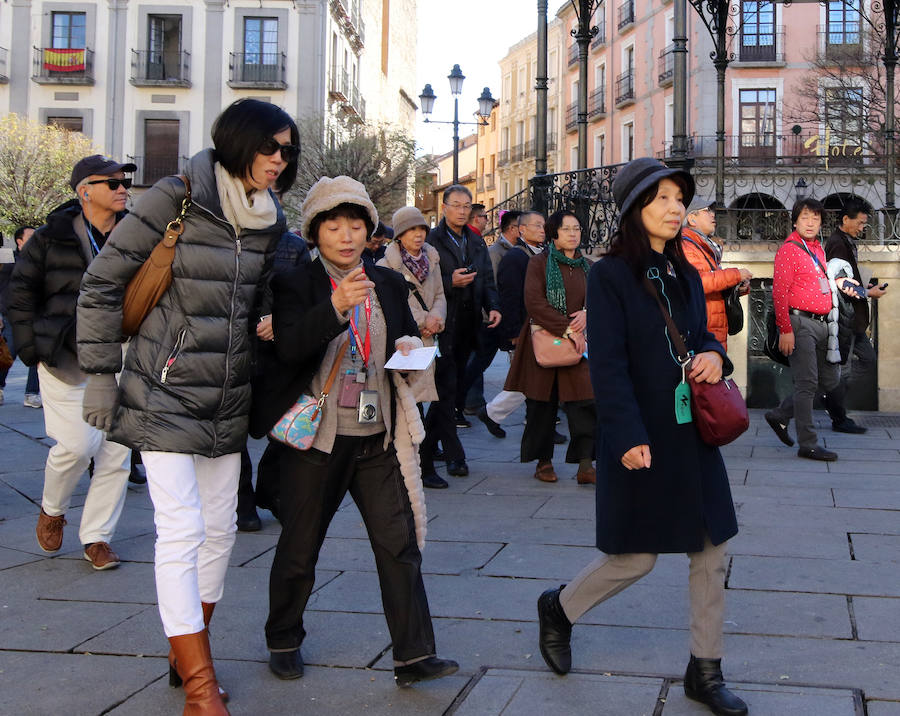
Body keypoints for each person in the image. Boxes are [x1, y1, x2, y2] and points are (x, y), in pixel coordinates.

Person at [77, 98, 297, 715]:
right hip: (164, 387)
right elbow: (102, 283)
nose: (279, 160)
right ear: (237, 141)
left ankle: (185, 650)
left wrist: (268, 325)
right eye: (269, 148)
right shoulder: (174, 196)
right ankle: (200, 686)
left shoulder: (268, 215)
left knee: (221, 532)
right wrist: (100, 375)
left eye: (286, 151)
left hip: (227, 395)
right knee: (181, 530)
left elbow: (250, 300)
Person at [536, 158, 747, 716]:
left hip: (691, 431)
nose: (676, 208)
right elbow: (606, 364)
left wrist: (713, 356)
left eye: (680, 198)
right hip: (641, 434)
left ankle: (705, 669)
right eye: (662, 199)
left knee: (712, 549)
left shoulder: (683, 270)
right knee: (636, 558)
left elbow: (704, 335)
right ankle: (559, 609)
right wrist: (625, 434)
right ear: (635, 210)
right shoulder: (609, 275)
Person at [252, 175, 458, 687]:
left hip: (377, 434)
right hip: (317, 439)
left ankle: (413, 655)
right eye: (334, 225)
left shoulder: (386, 281)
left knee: (399, 545)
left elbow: (400, 340)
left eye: (356, 225)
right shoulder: (296, 283)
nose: (346, 236)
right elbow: (290, 348)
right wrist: (337, 306)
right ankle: (283, 638)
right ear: (316, 232)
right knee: (300, 547)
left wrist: (411, 351)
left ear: (369, 232)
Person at [9, 156, 136, 571]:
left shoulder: (137, 235)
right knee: (78, 446)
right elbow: (22, 294)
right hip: (66, 356)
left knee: (116, 454)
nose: (122, 188)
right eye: (112, 182)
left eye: (124, 182)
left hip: (122, 356)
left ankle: (97, 537)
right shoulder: (51, 237)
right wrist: (32, 348)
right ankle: (52, 507)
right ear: (85, 190)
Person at [503, 210, 596, 484]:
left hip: (579, 347)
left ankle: (585, 464)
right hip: (544, 343)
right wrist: (567, 329)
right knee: (542, 406)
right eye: (566, 229)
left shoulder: (588, 266)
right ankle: (543, 462)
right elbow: (534, 304)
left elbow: (601, 300)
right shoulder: (539, 264)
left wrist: (588, 313)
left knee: (585, 403)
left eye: (577, 228)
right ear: (554, 233)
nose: (573, 234)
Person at [765, 198, 857, 461]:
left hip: (823, 324)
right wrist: (785, 329)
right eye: (805, 217)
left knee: (829, 380)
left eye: (815, 219)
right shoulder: (789, 250)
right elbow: (779, 293)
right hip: (800, 323)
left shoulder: (817, 250)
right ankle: (808, 444)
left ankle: (782, 414)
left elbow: (822, 282)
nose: (810, 222)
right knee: (806, 383)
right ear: (795, 221)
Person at [236, 229, 313, 532]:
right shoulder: (226, 235)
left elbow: (306, 297)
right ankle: (242, 502)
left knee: (283, 429)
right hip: (234, 348)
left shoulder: (292, 246)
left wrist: (279, 320)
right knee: (234, 430)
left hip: (278, 352)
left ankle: (270, 490)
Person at [425, 185, 501, 475]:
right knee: (445, 388)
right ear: (444, 207)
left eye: (466, 205)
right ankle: (455, 454)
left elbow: (487, 276)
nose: (461, 210)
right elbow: (422, 283)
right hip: (444, 324)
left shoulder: (475, 239)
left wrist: (493, 305)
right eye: (455, 205)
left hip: (469, 322)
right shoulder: (432, 240)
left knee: (451, 391)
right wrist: (449, 281)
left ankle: (428, 447)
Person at [377, 206, 447, 488]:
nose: (418, 235)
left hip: (434, 339)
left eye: (421, 230)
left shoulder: (432, 259)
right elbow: (394, 307)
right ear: (399, 235)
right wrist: (423, 322)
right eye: (411, 230)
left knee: (436, 405)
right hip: (408, 344)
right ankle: (411, 468)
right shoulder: (386, 266)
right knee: (409, 408)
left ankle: (424, 463)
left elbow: (440, 293)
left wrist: (438, 318)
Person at [477, 211, 547, 439]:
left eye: (543, 225)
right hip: (523, 331)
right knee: (527, 378)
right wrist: (514, 333)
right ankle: (492, 413)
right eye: (536, 225)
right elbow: (509, 297)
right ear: (521, 230)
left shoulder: (542, 254)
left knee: (532, 379)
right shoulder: (516, 258)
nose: (542, 229)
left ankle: (495, 414)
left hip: (539, 330)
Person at [823, 201, 882, 433]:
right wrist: (868, 292)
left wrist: (863, 285)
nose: (862, 227)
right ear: (846, 220)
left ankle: (831, 399)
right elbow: (839, 283)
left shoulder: (846, 241)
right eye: (860, 222)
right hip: (845, 318)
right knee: (842, 371)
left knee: (867, 360)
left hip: (855, 318)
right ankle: (838, 416)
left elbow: (847, 277)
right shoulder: (837, 244)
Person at [681, 197, 752, 351]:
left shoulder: (703, 247)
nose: (713, 215)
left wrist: (735, 287)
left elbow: (713, 284)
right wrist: (736, 275)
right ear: (692, 219)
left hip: (711, 331)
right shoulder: (687, 246)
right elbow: (698, 283)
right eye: (707, 211)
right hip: (702, 334)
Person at [0, 226, 41, 407]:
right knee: (9, 351)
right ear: (19, 241)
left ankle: (32, 393)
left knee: (37, 351)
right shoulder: (8, 261)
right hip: (12, 314)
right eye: (31, 236)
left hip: (36, 313)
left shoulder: (40, 259)